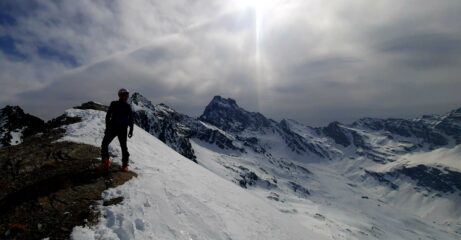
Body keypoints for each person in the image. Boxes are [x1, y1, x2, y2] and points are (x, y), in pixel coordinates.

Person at [101, 88, 134, 172]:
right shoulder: (125, 106)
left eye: (126, 94)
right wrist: (130, 130)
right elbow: (131, 119)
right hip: (120, 128)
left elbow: (108, 116)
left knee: (106, 144)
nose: (126, 96)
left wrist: (108, 127)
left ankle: (106, 163)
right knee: (122, 147)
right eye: (125, 94)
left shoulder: (115, 104)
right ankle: (123, 165)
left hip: (114, 128)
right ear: (120, 95)